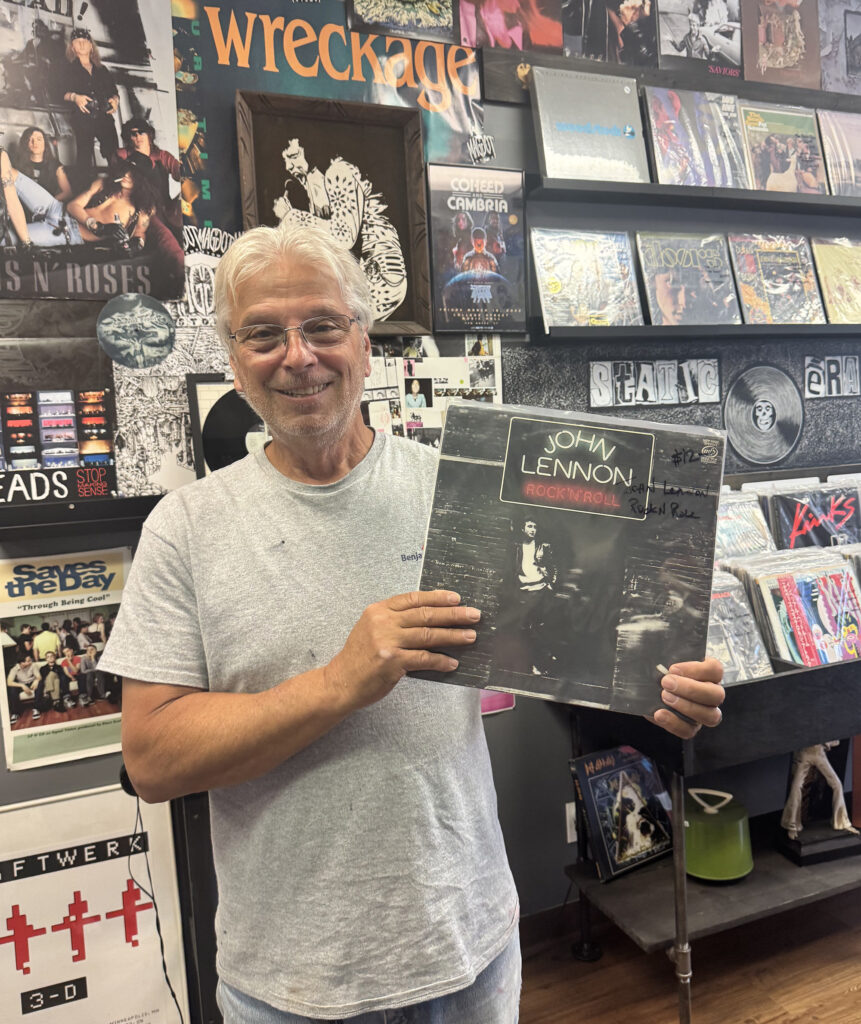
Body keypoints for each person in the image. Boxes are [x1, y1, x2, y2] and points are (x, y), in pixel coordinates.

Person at [101, 219, 724, 1021]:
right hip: (291, 983)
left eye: (322, 325)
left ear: (364, 345)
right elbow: (151, 760)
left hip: (467, 948)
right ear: (234, 361)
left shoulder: (460, 492)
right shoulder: (185, 528)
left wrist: (653, 682)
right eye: (263, 334)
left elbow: (558, 640)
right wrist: (337, 684)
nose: (297, 355)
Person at [61, 27, 119, 183]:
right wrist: (75, 97)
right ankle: (83, 195)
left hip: (104, 117)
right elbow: (59, 93)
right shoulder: (67, 69)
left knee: (114, 154)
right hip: (83, 118)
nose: (81, 44)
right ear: (72, 47)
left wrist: (115, 100)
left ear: (91, 46)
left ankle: (118, 189)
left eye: (85, 41)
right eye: (77, 41)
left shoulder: (102, 69)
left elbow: (114, 91)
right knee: (84, 159)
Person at [114, 116, 182, 233]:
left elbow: (180, 174)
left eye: (141, 132)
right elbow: (115, 181)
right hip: (135, 209)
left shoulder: (162, 156)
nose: (138, 136)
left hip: (164, 209)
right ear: (128, 137)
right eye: (133, 134)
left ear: (149, 135)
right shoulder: (122, 155)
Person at [514, 517, 558, 676]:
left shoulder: (543, 547)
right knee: (526, 628)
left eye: (535, 527)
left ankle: (538, 663)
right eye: (529, 526)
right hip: (523, 591)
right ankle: (544, 656)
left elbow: (553, 567)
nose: (533, 529)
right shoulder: (517, 547)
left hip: (540, 590)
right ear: (523, 529)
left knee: (537, 627)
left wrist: (551, 584)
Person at [13, 127, 72, 201]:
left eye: (39, 139)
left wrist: (49, 203)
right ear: (25, 143)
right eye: (30, 139)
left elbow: (67, 193)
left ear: (45, 143)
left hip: (47, 206)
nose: (35, 143)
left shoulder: (56, 166)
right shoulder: (18, 165)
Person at [6, 655, 42, 724]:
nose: (30, 662)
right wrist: (22, 685)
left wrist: (36, 680)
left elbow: (39, 676)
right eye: (28, 661)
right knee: (12, 688)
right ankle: (15, 713)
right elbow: (9, 682)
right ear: (21, 663)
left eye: (30, 660)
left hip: (31, 683)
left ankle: (36, 708)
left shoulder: (33, 665)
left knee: (40, 683)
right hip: (21, 684)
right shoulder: (14, 669)